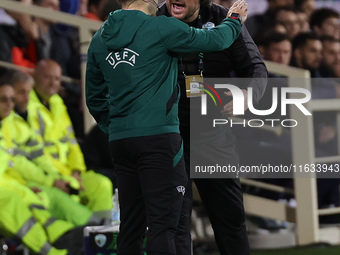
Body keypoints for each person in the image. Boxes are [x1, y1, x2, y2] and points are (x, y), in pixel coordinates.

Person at [86, 0, 248, 254]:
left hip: (120, 142)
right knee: (164, 226)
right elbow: (216, 41)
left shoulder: (99, 37)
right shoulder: (161, 27)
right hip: (159, 141)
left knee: (131, 226)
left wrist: (117, 127)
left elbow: (94, 98)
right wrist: (235, 19)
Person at [157, 0, 267, 254]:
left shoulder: (222, 18)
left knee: (230, 219)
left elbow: (256, 68)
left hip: (213, 132)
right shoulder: (154, 19)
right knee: (174, 221)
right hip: (168, 134)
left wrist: (247, 96)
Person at [27, 59, 114, 223]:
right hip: (49, 174)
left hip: (69, 172)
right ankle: (85, 239)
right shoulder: (27, 106)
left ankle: (102, 237)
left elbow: (72, 143)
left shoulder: (58, 103)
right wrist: (61, 177)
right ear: (34, 77)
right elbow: (36, 152)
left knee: (102, 184)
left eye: (57, 79)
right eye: (48, 77)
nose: (53, 83)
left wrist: (77, 170)